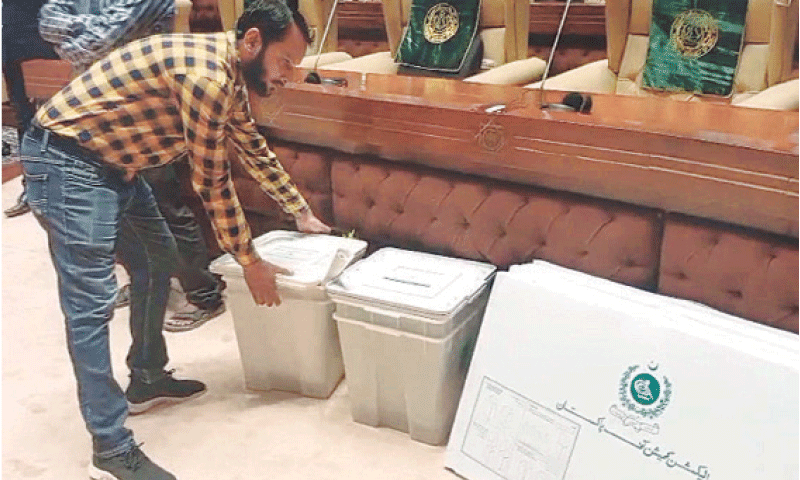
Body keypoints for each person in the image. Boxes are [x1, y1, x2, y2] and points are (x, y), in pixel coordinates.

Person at [19, 1, 330, 478]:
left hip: (115, 164)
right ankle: (110, 447)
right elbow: (212, 181)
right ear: (252, 43)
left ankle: (146, 378)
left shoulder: (228, 71)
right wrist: (250, 261)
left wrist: (300, 210)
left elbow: (250, 144)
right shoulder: (207, 79)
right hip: (67, 162)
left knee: (158, 258)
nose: (288, 75)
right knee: (91, 304)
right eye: (284, 62)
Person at [2, 0, 61, 218]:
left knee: (63, 115)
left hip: (51, 35)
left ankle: (61, 188)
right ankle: (32, 190)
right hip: (13, 37)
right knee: (23, 118)